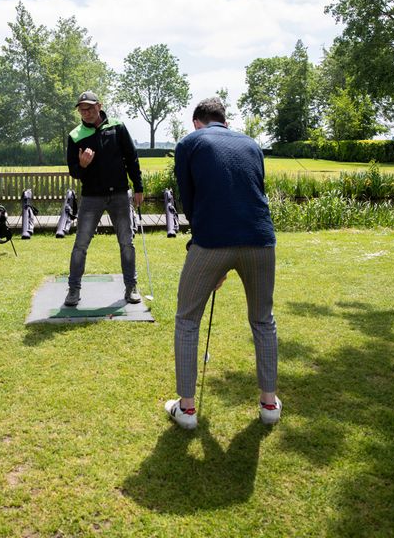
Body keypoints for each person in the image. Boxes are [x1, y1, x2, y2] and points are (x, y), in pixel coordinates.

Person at [164, 97, 280, 430]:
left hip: (211, 241)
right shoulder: (252, 144)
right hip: (261, 239)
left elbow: (189, 199)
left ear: (196, 122)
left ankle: (186, 410)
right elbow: (254, 190)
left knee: (187, 319)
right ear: (224, 121)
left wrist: (206, 254)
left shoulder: (189, 142)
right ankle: (269, 403)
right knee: (263, 320)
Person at [64, 91, 145, 307]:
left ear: (99, 106)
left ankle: (131, 287)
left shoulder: (117, 127)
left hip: (119, 194)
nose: (86, 112)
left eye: (90, 108)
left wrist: (138, 188)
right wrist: (82, 165)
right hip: (92, 197)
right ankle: (73, 290)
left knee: (127, 243)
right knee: (80, 245)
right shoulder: (75, 135)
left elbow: (132, 158)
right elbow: (73, 171)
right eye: (82, 109)